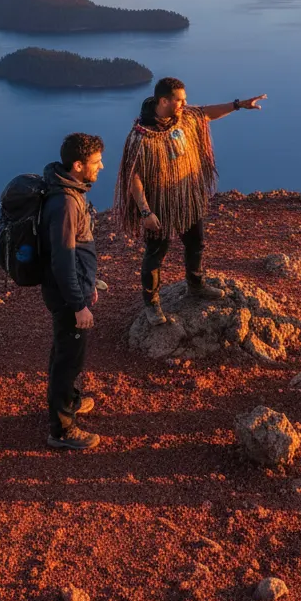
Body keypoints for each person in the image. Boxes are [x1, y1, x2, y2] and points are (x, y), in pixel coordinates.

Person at [115, 77, 267, 326]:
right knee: (155, 253)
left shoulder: (183, 117)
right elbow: (134, 177)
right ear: (163, 100)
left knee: (196, 243)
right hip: (159, 204)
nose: (185, 104)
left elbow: (205, 113)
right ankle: (152, 304)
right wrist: (146, 212)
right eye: (180, 100)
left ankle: (195, 284)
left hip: (187, 197)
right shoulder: (140, 137)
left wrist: (238, 105)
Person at [41, 133, 104, 451]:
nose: (101, 167)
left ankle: (69, 401)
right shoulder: (66, 203)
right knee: (69, 359)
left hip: (71, 290)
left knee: (65, 353)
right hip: (68, 296)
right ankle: (62, 430)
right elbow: (63, 259)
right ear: (78, 165)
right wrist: (79, 303)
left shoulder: (69, 192)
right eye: (95, 162)